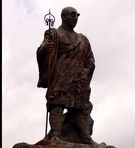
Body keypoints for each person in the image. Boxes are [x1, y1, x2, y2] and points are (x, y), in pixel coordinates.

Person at [36, 6, 95, 144]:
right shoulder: (54, 34)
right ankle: (55, 134)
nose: (75, 18)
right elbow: (41, 48)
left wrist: (86, 71)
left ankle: (86, 136)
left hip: (79, 78)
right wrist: (45, 49)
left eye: (77, 15)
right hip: (61, 76)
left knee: (81, 107)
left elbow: (90, 59)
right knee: (56, 104)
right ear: (63, 17)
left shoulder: (83, 39)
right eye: (72, 15)